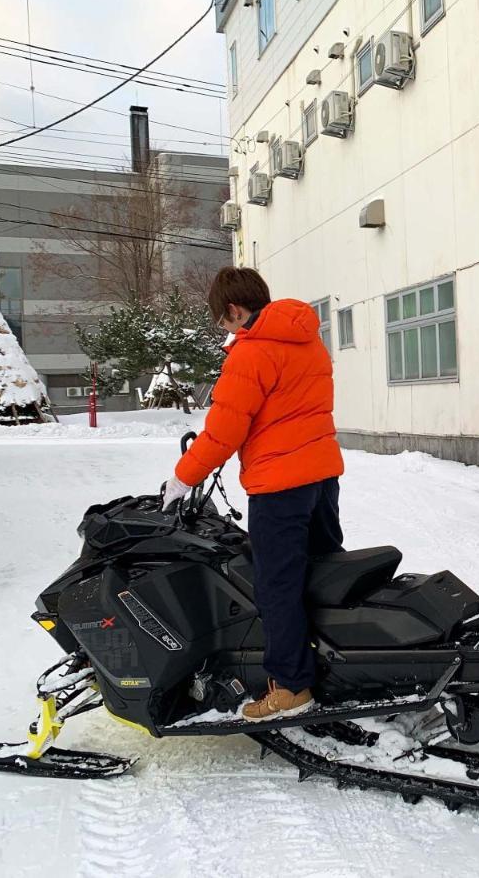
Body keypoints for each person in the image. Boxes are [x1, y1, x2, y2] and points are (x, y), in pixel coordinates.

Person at [161, 267, 344, 721]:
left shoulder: (252, 353)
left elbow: (223, 433)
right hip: (321, 478)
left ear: (234, 310)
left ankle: (293, 687)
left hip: (280, 487)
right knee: (323, 573)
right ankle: (340, 662)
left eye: (221, 320)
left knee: (278, 587)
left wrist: (183, 477)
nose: (223, 329)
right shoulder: (307, 340)